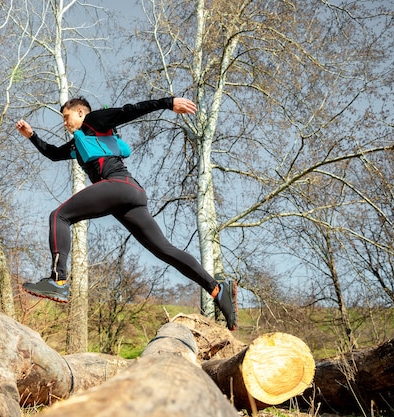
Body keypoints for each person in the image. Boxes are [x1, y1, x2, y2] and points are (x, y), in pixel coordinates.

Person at [15, 96, 238, 330]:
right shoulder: (78, 144)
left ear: (80, 112)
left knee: (59, 216)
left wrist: (168, 102)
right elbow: (52, 153)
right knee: (164, 250)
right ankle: (217, 289)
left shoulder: (95, 121)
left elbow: (130, 110)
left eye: (66, 117)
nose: (64, 123)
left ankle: (58, 280)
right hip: (131, 196)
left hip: (119, 187)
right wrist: (32, 136)